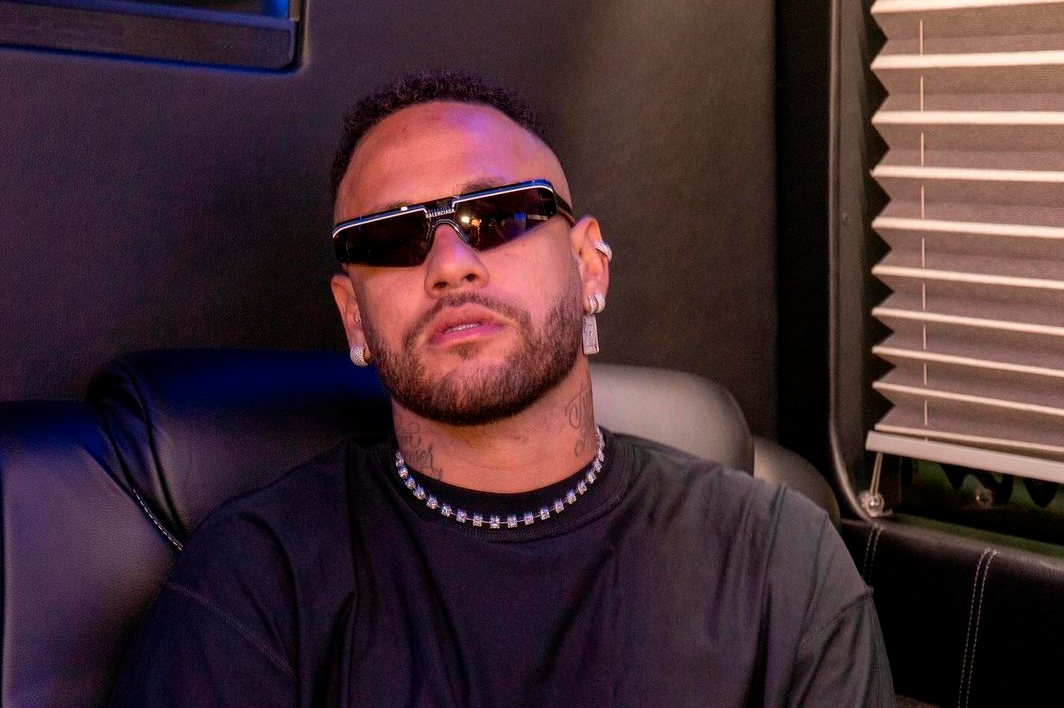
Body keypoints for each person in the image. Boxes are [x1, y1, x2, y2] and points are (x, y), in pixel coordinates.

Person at [110, 71, 894, 707]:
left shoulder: (777, 558)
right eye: (393, 238)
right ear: (354, 316)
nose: (451, 265)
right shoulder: (258, 577)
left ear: (589, 268)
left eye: (499, 215)